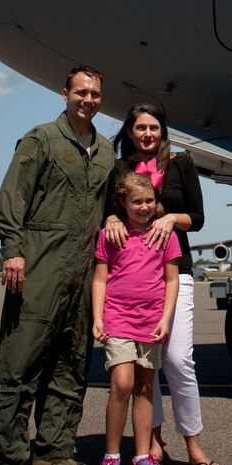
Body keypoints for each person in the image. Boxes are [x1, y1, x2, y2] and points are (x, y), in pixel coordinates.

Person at [0, 65, 115, 465]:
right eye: (81, 92)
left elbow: (110, 204)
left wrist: (113, 217)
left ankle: (54, 452)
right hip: (40, 270)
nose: (88, 100)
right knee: (19, 368)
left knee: (70, 369)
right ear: (65, 94)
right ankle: (10, 454)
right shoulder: (40, 139)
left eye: (95, 94)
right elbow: (12, 197)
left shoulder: (107, 153)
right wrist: (13, 248)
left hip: (82, 279)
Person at [105, 103, 219, 465]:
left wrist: (171, 218)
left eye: (154, 127)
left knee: (179, 360)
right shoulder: (120, 168)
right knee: (145, 366)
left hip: (175, 271)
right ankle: (152, 439)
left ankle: (192, 441)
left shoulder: (181, 163)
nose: (147, 134)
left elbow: (198, 218)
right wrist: (110, 217)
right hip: (135, 276)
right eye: (140, 128)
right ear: (130, 132)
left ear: (162, 130)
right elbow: (111, 208)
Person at [92, 172, 181, 465]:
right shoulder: (111, 234)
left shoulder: (166, 235)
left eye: (148, 200)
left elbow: (171, 280)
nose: (143, 207)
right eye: (136, 201)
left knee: (144, 387)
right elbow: (100, 279)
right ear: (122, 202)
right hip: (117, 317)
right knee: (122, 383)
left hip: (151, 321)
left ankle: (142, 454)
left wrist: (166, 319)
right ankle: (112, 453)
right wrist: (98, 318)